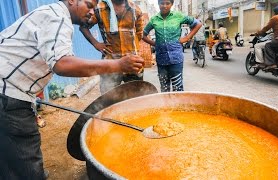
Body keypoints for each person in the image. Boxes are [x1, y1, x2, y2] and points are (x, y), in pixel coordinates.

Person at [0, 0, 144, 179]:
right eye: (89, 5)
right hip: (7, 96)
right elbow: (62, 64)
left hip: (9, 91)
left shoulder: (52, 13)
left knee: (8, 157)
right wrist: (117, 64)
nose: (92, 12)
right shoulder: (58, 17)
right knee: (27, 164)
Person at [80, 0, 144, 94]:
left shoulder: (136, 9)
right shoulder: (99, 8)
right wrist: (96, 44)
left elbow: (139, 34)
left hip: (133, 62)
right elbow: (83, 27)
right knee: (108, 98)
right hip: (110, 62)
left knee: (136, 96)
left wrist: (129, 49)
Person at [142, 0, 201, 92]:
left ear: (171, 4)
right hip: (161, 59)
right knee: (164, 88)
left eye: (167, 3)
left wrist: (187, 37)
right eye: (162, 3)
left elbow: (198, 24)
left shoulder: (178, 16)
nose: (164, 6)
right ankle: (167, 105)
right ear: (158, 4)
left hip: (176, 58)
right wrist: (155, 44)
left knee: (178, 87)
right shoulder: (154, 19)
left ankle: (178, 105)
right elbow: (143, 35)